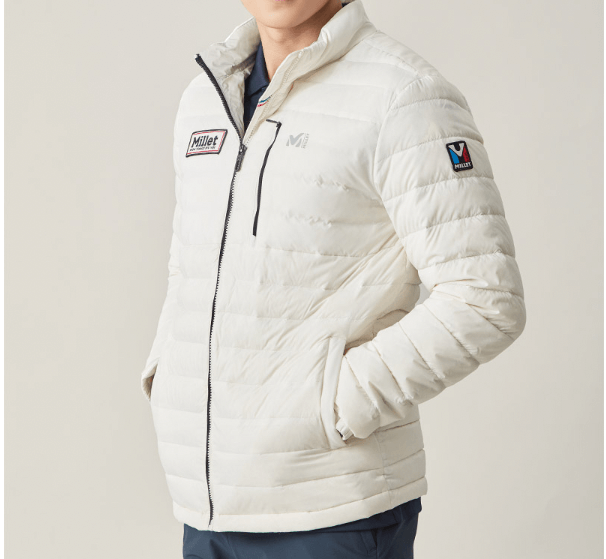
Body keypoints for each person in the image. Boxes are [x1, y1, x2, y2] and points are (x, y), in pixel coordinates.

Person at [139, 1, 527, 558]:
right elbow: (189, 267)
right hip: (206, 508)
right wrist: (167, 374)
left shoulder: (404, 95)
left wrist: (332, 406)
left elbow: (485, 299)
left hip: (333, 512)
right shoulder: (205, 97)